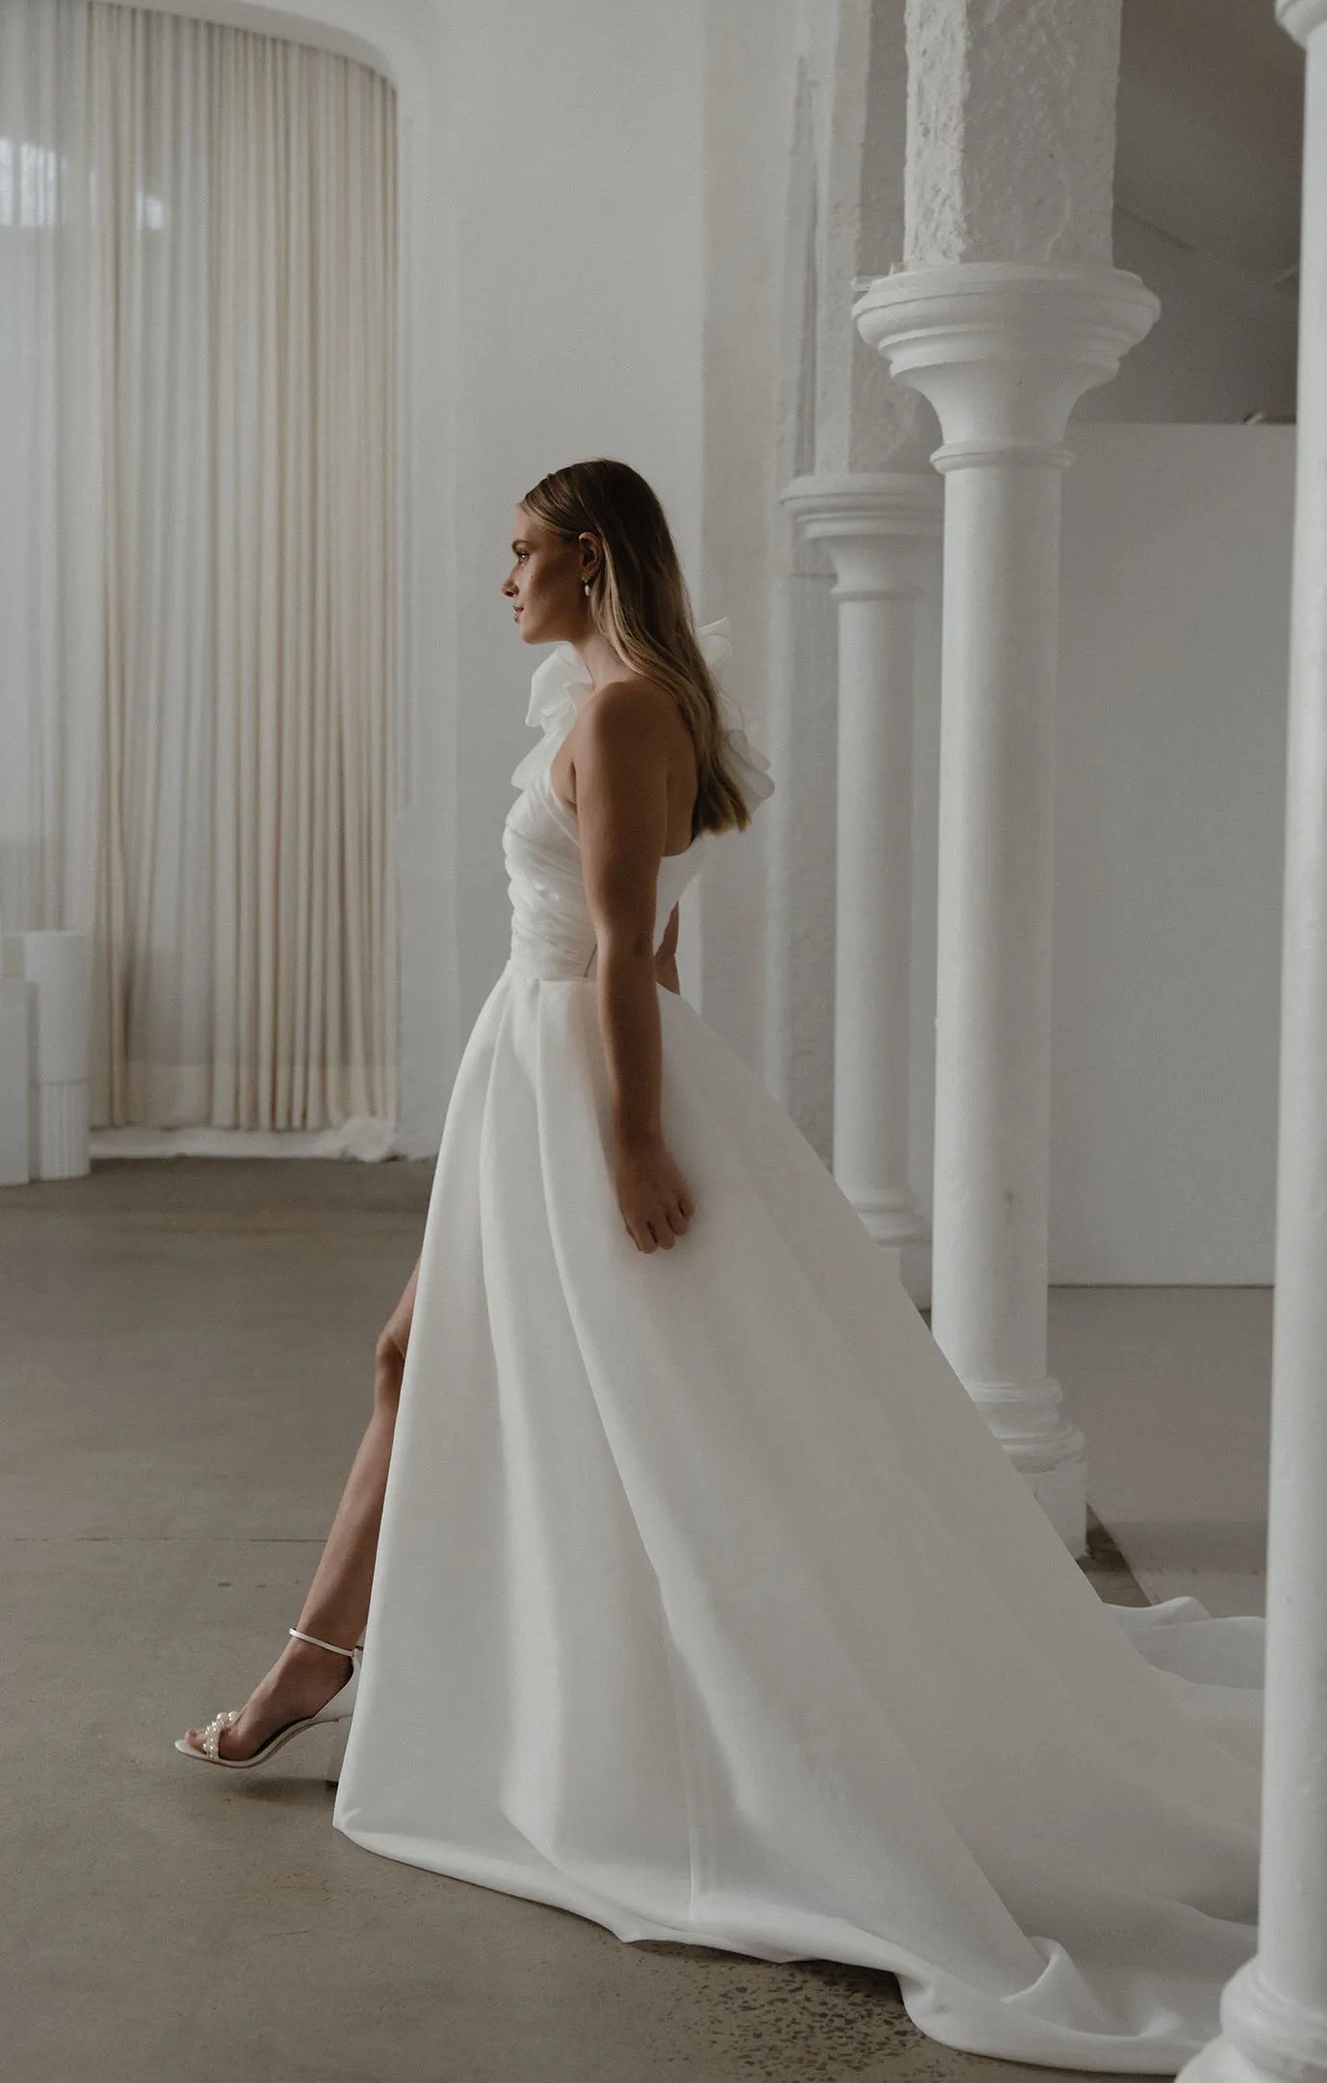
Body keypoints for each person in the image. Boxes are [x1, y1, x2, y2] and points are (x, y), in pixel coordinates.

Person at [175, 457, 1265, 2071]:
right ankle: (318, 1660)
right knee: (429, 1359)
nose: (506, 583)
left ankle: (338, 1672)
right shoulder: (603, 695)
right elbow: (654, 945)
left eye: (524, 553)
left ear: (593, 559)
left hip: (579, 1082)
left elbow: (628, 948)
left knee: (621, 1405)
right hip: (539, 1074)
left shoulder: (622, 717)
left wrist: (631, 1142)